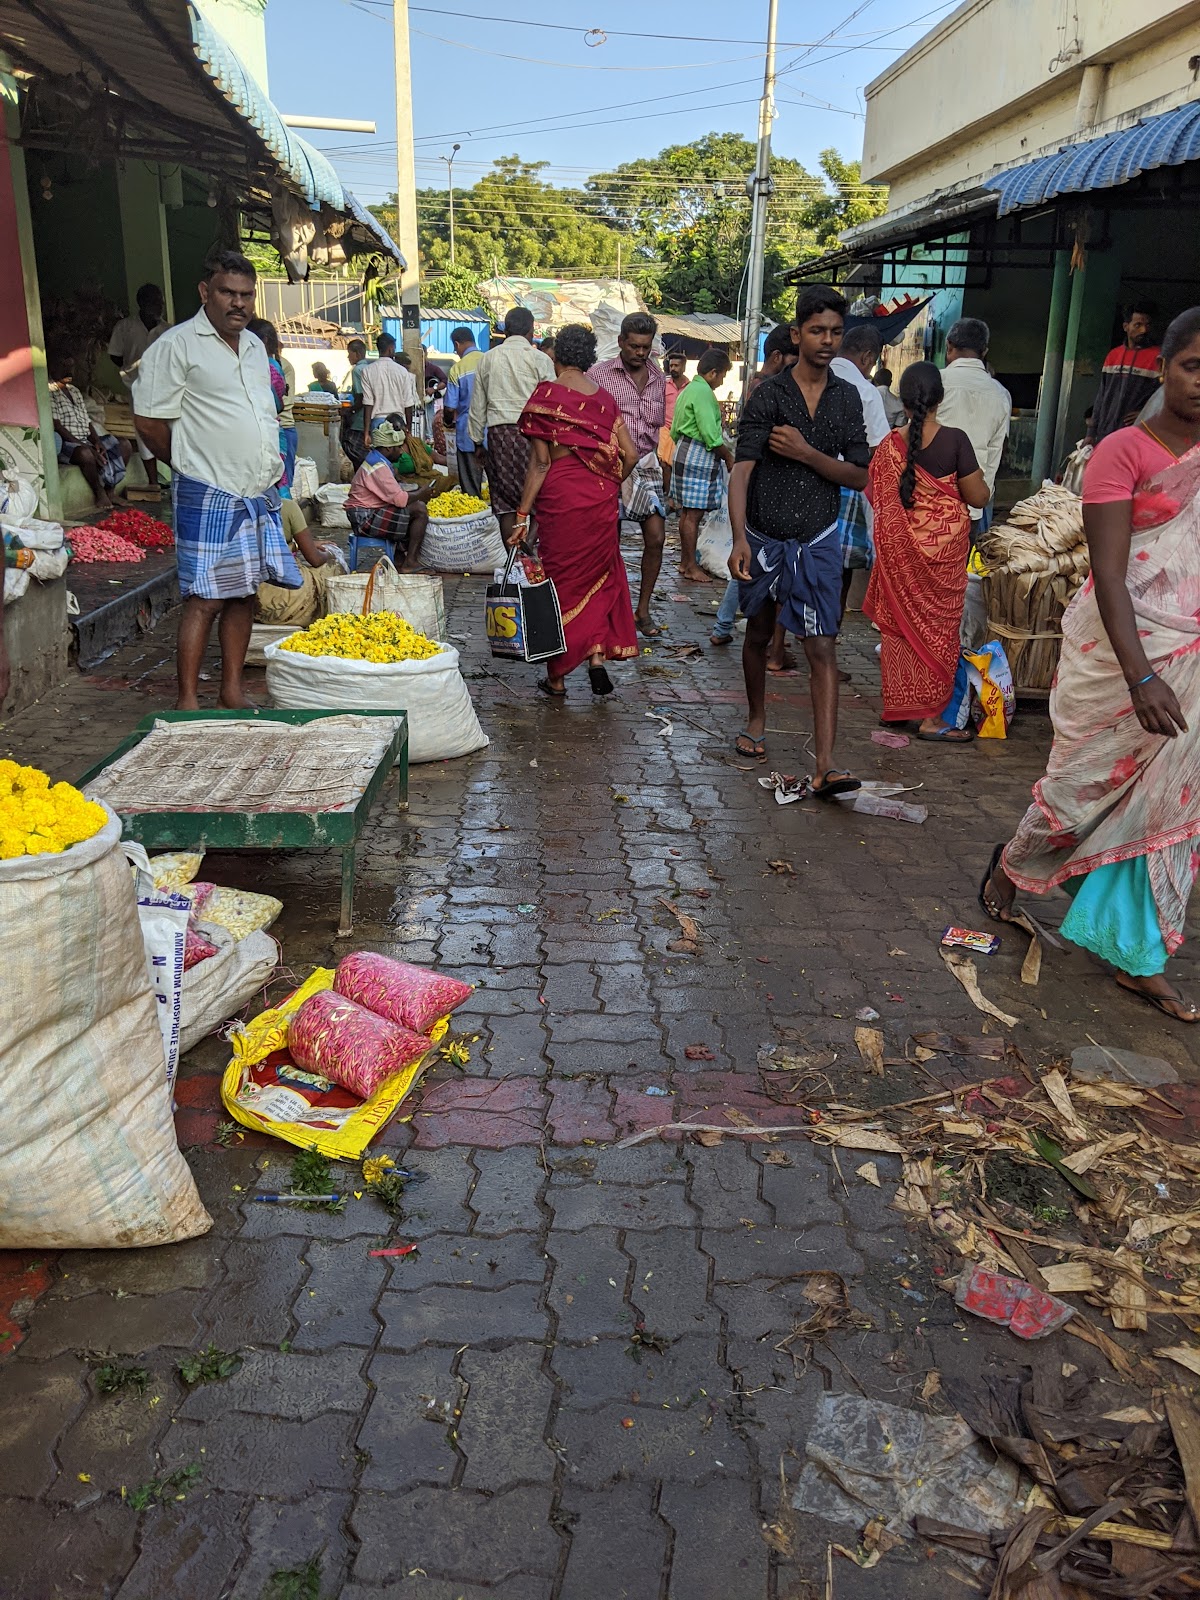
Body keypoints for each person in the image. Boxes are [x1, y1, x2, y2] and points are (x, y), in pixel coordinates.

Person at [981, 306, 1200, 1025]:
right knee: (1080, 786)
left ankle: (1137, 957)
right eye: (1193, 366)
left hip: (1191, 655)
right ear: (1162, 367)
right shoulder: (1123, 452)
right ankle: (1015, 861)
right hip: (1120, 653)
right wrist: (1141, 676)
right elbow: (1109, 576)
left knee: (1168, 803)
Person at [134, 249, 301, 710]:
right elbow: (148, 422)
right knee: (204, 598)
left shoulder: (252, 347)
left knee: (243, 594)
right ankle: (187, 700)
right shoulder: (176, 346)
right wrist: (191, 466)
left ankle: (231, 691)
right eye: (228, 292)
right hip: (206, 492)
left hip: (254, 493)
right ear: (206, 292)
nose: (239, 303)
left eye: (247, 295)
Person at [728, 284, 869, 788]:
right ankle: (756, 721)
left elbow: (859, 475)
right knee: (760, 633)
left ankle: (825, 764)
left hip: (819, 540)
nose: (827, 340)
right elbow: (742, 470)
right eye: (816, 331)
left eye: (835, 331)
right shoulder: (769, 394)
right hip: (765, 537)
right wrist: (740, 538)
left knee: (822, 647)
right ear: (797, 334)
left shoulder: (846, 398)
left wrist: (809, 454)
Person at [864, 361, 991, 742]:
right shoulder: (955, 440)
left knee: (900, 631)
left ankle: (899, 708)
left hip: (900, 562)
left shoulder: (889, 446)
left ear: (902, 399)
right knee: (938, 633)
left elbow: (879, 501)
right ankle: (931, 720)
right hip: (942, 563)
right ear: (940, 397)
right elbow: (978, 496)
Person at [513, 323, 640, 697]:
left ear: (556, 356)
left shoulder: (545, 397)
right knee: (600, 575)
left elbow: (539, 464)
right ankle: (596, 654)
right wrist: (609, 481)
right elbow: (630, 454)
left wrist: (522, 516)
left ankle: (557, 678)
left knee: (561, 583)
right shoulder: (604, 400)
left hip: (560, 500)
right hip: (600, 500)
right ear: (588, 359)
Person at [711, 326, 798, 647]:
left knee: (750, 559)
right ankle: (740, 630)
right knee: (752, 560)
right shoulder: (768, 390)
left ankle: (725, 626)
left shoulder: (759, 387)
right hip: (762, 492)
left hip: (759, 489)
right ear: (778, 357)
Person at [589, 312, 668, 636]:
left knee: (657, 537)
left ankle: (642, 610)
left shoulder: (658, 378)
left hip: (646, 464)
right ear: (621, 342)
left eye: (645, 347)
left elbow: (658, 428)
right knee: (610, 542)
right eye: (634, 346)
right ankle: (609, 610)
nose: (639, 352)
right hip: (611, 465)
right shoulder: (599, 375)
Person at [468, 306, 555, 542]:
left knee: (504, 501)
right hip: (534, 435)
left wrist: (477, 442)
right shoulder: (541, 360)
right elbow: (552, 403)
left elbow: (477, 406)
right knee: (539, 496)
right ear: (531, 329)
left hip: (499, 435)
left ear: (505, 330)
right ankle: (529, 548)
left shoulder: (488, 359)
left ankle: (513, 558)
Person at [830, 325, 890, 608]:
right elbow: (880, 450)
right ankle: (829, 631)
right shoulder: (866, 391)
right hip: (846, 485)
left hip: (801, 481)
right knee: (840, 569)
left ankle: (783, 640)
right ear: (867, 357)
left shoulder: (810, 377)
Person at [936, 318, 1011, 533]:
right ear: (984, 351)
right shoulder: (1000, 394)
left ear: (948, 345)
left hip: (928, 504)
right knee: (959, 567)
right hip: (973, 508)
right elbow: (998, 450)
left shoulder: (937, 381)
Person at [671, 349, 733, 583]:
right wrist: (727, 456)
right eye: (723, 376)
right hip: (698, 452)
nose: (722, 381)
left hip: (683, 450)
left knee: (687, 513)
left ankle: (686, 562)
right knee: (693, 515)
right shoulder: (704, 393)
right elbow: (710, 435)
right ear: (713, 373)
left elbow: (675, 427)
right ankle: (690, 566)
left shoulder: (689, 389)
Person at [48, 347, 133, 512]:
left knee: (124, 444)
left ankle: (110, 490)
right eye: (65, 366)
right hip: (68, 443)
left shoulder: (74, 391)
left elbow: (87, 422)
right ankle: (99, 491)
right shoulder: (49, 391)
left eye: (71, 366)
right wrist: (87, 446)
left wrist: (97, 442)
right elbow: (57, 426)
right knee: (85, 454)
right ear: (54, 368)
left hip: (86, 439)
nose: (69, 370)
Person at [344, 420, 435, 570]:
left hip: (365, 513)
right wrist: (421, 494)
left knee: (408, 508)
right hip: (364, 518)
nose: (401, 451)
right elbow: (400, 500)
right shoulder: (378, 466)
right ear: (387, 449)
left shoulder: (377, 459)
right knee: (419, 509)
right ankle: (410, 561)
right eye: (398, 448)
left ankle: (400, 558)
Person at [108, 282, 169, 491]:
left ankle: (176, 479)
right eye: (154, 302)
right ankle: (153, 482)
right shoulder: (125, 327)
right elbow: (115, 354)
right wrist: (131, 371)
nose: (159, 306)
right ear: (142, 303)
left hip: (165, 388)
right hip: (137, 387)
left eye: (160, 302)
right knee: (143, 431)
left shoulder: (167, 330)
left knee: (171, 428)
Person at [1090, 304, 1161, 444]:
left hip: (1137, 434)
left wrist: (1145, 413)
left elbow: (1166, 397)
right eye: (1138, 325)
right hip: (1106, 431)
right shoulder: (1113, 356)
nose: (1144, 330)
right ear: (1125, 327)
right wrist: (1091, 433)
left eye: (1147, 325)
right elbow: (1102, 396)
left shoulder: (1159, 357)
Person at [247, 318, 295, 496]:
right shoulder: (274, 366)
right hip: (271, 431)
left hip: (257, 433)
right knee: (278, 481)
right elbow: (278, 405)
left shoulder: (254, 365)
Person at [443, 326, 486, 498]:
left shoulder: (457, 369)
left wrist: (448, 421)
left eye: (455, 348)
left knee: (471, 487)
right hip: (493, 432)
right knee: (498, 486)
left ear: (457, 344)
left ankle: (476, 519)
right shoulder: (489, 360)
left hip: (467, 434)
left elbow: (450, 407)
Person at [361, 332, 417, 441]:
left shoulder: (367, 371)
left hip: (377, 425)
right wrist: (409, 430)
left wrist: (366, 433)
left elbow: (368, 404)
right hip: (398, 424)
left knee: (380, 457)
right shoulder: (402, 371)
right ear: (391, 349)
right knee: (399, 457)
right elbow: (408, 404)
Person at [660, 351, 688, 503]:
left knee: (680, 464)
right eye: (671, 365)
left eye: (677, 365)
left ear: (683, 367)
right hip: (666, 428)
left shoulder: (690, 387)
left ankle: (679, 498)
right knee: (665, 464)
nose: (674, 368)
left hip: (683, 430)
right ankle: (669, 496)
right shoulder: (664, 385)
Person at [343, 338, 368, 468]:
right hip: (368, 418)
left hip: (359, 420)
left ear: (357, 354)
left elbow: (360, 397)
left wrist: (350, 411)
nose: (348, 357)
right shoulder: (369, 368)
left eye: (349, 353)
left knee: (354, 450)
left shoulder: (357, 370)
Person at [873, 364, 907, 429]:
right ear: (890, 382)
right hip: (886, 436)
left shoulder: (865, 396)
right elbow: (898, 427)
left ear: (875, 381)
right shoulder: (899, 404)